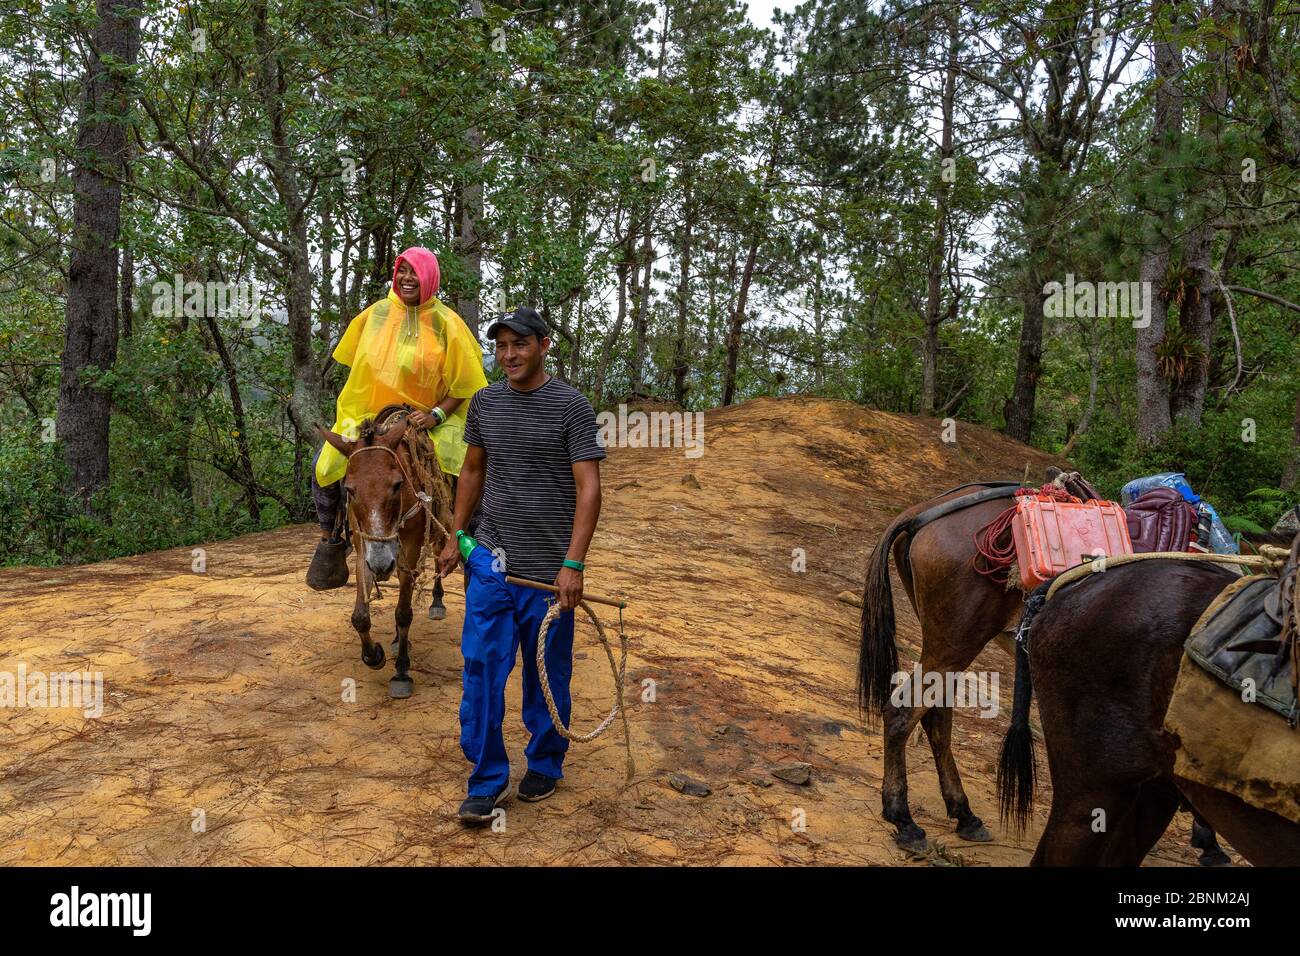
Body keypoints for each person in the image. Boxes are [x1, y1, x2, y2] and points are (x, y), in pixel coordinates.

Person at [436, 306, 605, 823]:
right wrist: (458, 536)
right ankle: (486, 778)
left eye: (520, 345)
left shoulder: (571, 407)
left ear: (544, 345)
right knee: (483, 668)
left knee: (545, 671)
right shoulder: (485, 403)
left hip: (547, 572)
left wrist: (573, 564)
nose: (508, 355)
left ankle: (546, 763)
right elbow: (472, 470)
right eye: (501, 346)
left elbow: (589, 488)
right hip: (491, 563)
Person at [307, 247, 487, 590]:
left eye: (415, 272)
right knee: (323, 464)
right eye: (402, 270)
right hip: (368, 417)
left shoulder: (448, 323)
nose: (407, 278)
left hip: (428, 417)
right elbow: (359, 370)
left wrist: (436, 414)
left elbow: (466, 384)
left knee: (467, 466)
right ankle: (330, 538)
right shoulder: (374, 315)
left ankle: (469, 545)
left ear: (430, 277)